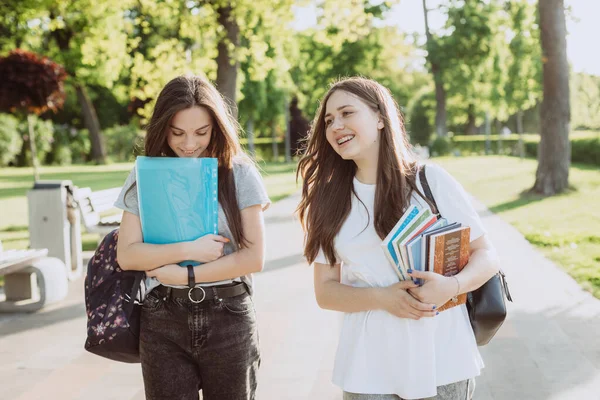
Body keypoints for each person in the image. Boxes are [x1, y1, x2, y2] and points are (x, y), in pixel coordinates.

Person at [296, 77, 499, 400]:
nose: (336, 126)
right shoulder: (329, 199)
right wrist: (382, 298)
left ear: (379, 118)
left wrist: (453, 286)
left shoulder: (429, 181)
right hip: (368, 367)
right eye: (329, 120)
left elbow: (486, 255)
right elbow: (326, 292)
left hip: (442, 358)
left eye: (347, 113)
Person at [114, 75, 270, 400]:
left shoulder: (240, 173)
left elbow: (254, 258)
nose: (189, 144)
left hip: (229, 315)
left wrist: (186, 274)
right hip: (162, 316)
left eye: (201, 132)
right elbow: (127, 254)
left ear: (217, 127)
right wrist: (189, 249)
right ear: (162, 128)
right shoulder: (145, 174)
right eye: (177, 132)